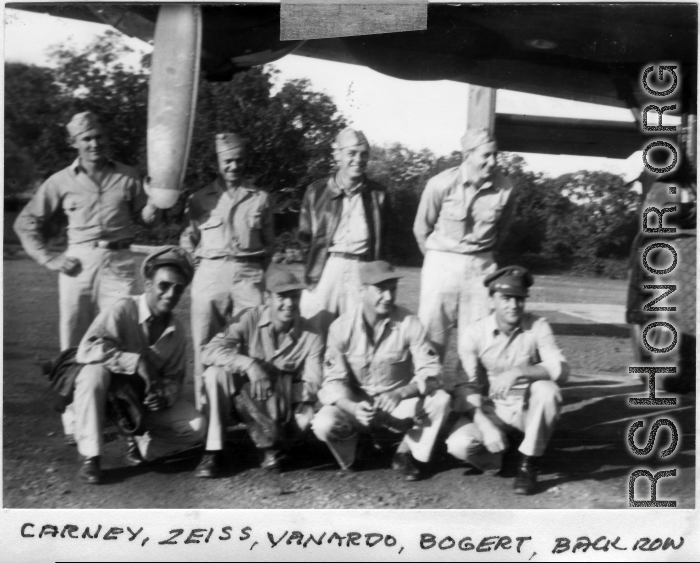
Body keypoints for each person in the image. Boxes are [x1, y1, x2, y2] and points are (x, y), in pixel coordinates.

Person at [14, 111, 159, 441]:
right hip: (78, 264)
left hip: (121, 262)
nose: (95, 144)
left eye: (99, 137)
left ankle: (129, 418)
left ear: (107, 138)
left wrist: (157, 198)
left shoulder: (127, 176)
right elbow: (25, 223)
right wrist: (50, 259)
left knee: (125, 337)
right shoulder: (60, 180)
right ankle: (76, 422)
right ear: (74, 143)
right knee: (75, 343)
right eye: (86, 139)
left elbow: (148, 218)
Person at [72, 246, 206, 484]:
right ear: (148, 285)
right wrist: (136, 361)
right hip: (110, 400)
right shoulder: (123, 309)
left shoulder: (177, 330)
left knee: (197, 427)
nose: (170, 294)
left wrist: (164, 396)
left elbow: (175, 378)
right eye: (164, 285)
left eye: (178, 288)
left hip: (143, 406)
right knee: (92, 373)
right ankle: (91, 456)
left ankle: (144, 445)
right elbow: (87, 348)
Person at [312, 261, 451, 481]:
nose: (388, 297)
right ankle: (353, 453)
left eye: (392, 289)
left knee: (441, 400)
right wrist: (353, 407)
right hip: (359, 409)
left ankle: (405, 452)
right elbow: (332, 382)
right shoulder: (340, 328)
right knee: (323, 423)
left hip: (398, 407)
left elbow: (434, 373)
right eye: (381, 289)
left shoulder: (409, 322)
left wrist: (402, 393)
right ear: (362, 291)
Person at [445, 266, 569, 495]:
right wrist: (484, 425)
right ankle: (502, 455)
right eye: (506, 298)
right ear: (491, 300)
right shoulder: (474, 333)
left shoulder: (538, 326)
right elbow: (464, 388)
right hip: (493, 410)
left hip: (526, 410)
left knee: (547, 390)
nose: (514, 305)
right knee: (458, 445)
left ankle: (528, 463)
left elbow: (560, 369)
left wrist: (518, 371)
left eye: (520, 299)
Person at [195, 266, 323, 477]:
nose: (289, 303)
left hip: (281, 406)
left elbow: (314, 384)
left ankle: (276, 447)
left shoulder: (312, 334)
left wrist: (277, 388)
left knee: (307, 413)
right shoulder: (249, 318)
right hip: (242, 402)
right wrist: (248, 364)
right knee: (214, 375)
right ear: (267, 298)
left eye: (294, 296)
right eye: (282, 297)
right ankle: (213, 451)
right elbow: (208, 351)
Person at [180, 132, 275, 409]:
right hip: (210, 275)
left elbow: (269, 245)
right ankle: (205, 407)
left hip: (249, 275)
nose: (234, 166)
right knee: (204, 342)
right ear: (218, 162)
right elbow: (189, 238)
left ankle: (251, 409)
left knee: (255, 341)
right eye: (228, 161)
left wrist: (255, 274)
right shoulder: (198, 199)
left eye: (240, 160)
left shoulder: (261, 199)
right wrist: (197, 261)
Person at [413, 128, 517, 375]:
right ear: (467, 155)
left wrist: (483, 259)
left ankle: (467, 397)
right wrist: (437, 262)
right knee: (431, 331)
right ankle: (427, 392)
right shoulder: (440, 184)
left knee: (478, 333)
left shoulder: (506, 188)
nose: (492, 162)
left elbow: (502, 231)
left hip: (481, 265)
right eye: (486, 156)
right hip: (441, 262)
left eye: (495, 156)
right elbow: (421, 229)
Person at [298, 128, 390, 336]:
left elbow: (384, 241)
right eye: (352, 153)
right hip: (326, 268)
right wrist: (316, 268)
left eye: (364, 154)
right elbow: (304, 238)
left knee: (357, 334)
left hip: (362, 269)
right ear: (337, 155)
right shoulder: (316, 191)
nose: (359, 159)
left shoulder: (379, 194)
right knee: (314, 333)